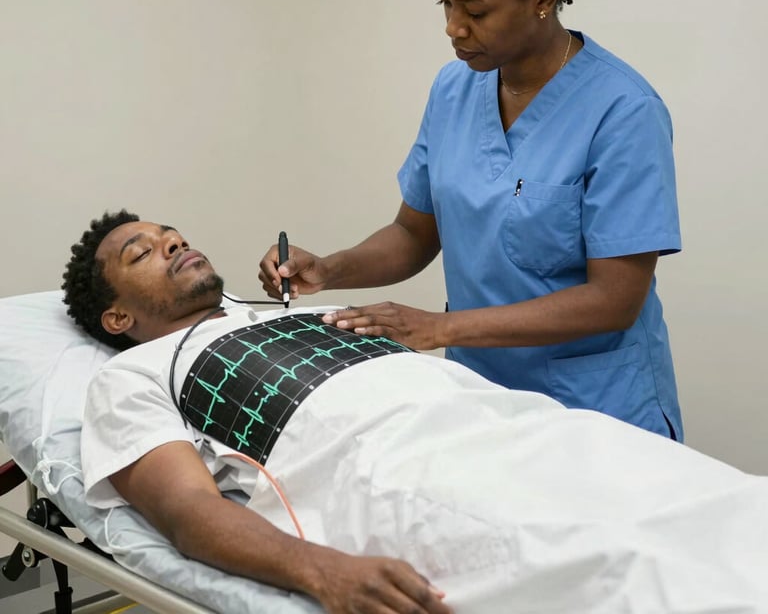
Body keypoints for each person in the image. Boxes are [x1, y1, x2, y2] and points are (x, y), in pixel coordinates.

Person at [64, 211, 767, 614]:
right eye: (143, 252)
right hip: (402, 476)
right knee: (626, 564)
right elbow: (188, 514)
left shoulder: (298, 312)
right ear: (117, 313)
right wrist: (321, 571)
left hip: (519, 425)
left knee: (716, 505)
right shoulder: (131, 377)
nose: (173, 243)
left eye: (171, 233)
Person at [259, 0, 683, 440]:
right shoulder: (454, 89)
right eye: (445, 3)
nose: (453, 28)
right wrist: (330, 271)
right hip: (478, 396)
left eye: (475, 11)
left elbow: (613, 300)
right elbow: (414, 234)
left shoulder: (624, 111)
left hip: (593, 406)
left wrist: (438, 327)